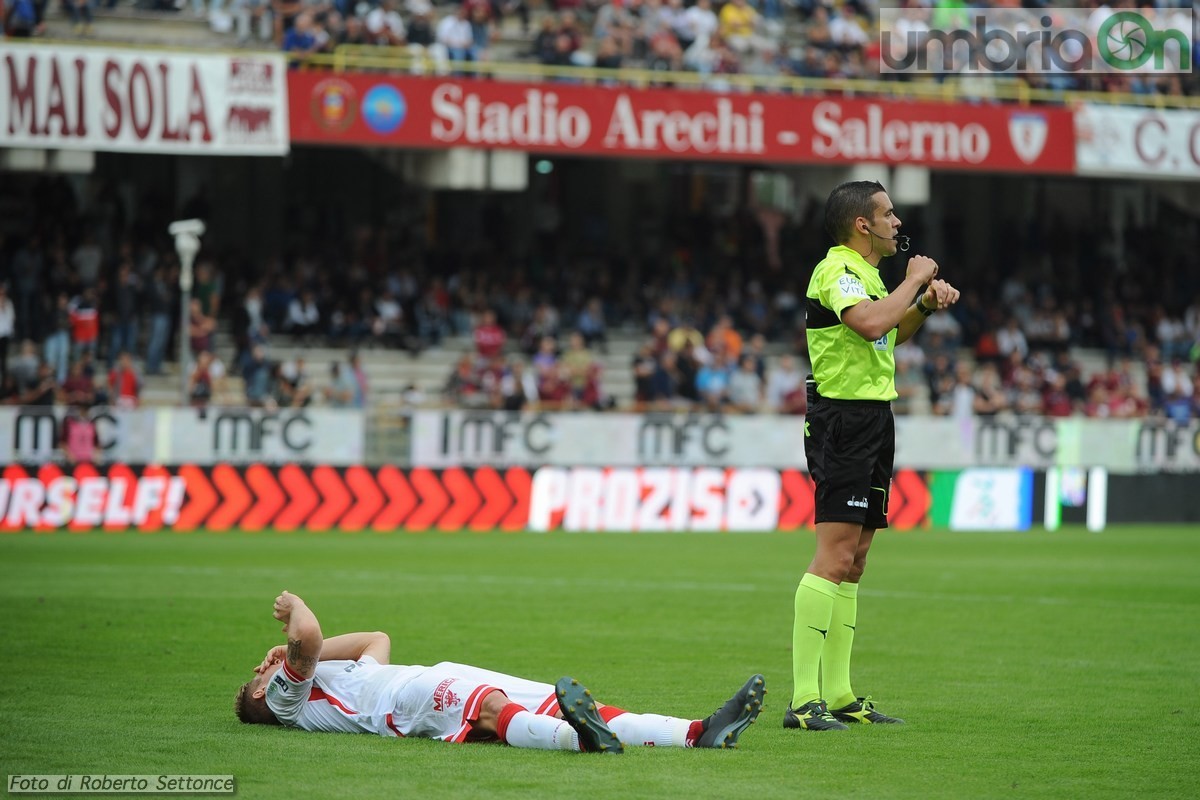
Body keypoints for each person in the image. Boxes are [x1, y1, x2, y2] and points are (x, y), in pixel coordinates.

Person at [787, 180, 959, 731]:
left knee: (855, 561)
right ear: (863, 224)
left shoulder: (871, 277)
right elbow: (867, 322)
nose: (897, 223)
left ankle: (839, 695)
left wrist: (922, 307)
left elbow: (886, 336)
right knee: (833, 556)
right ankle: (802, 701)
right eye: (888, 215)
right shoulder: (836, 269)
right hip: (842, 420)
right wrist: (914, 281)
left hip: (873, 419)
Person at [235, 591, 764, 753]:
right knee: (489, 709)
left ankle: (695, 732)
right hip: (405, 704)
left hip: (426, 677)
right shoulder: (288, 704)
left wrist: (296, 652)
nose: (263, 670)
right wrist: (292, 614)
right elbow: (306, 635)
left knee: (552, 700)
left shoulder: (335, 677)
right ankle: (578, 742)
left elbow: (377, 639)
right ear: (264, 696)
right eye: (257, 677)